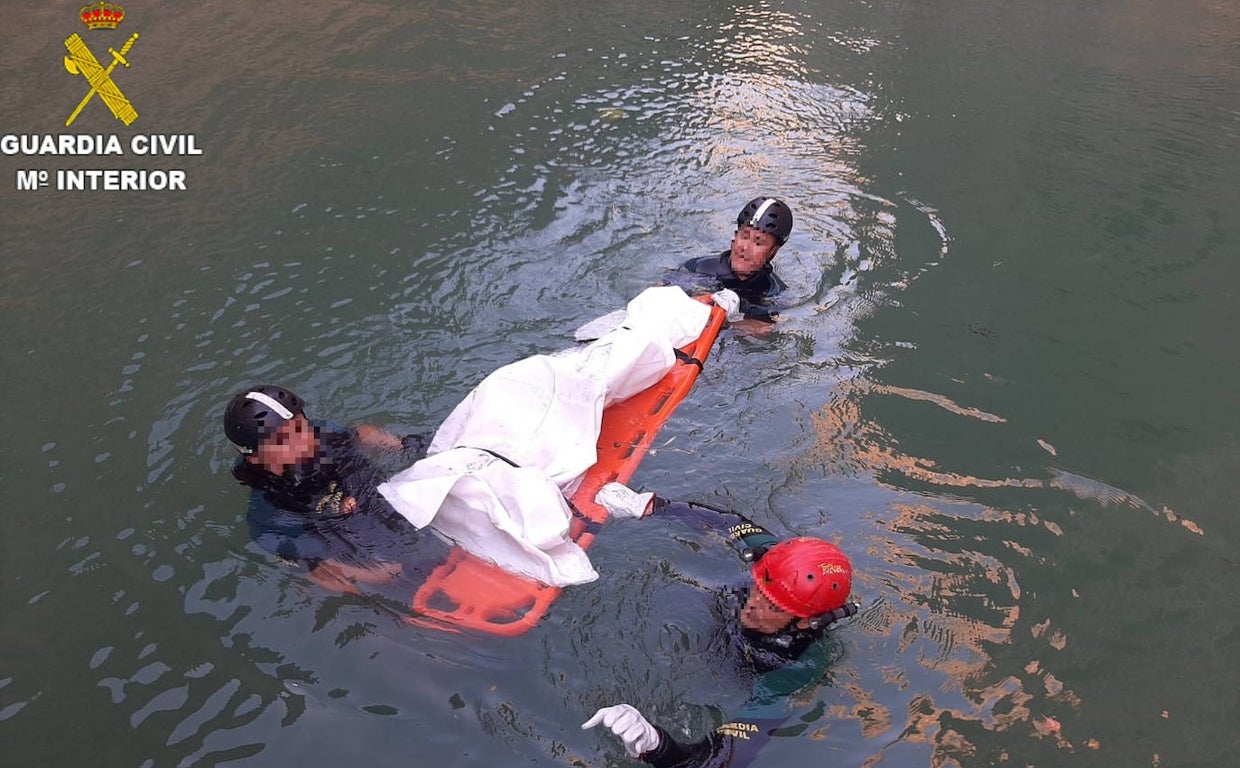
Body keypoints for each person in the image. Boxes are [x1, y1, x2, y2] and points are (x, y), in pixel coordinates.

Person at [582, 483, 857, 768]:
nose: (753, 604)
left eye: (772, 606)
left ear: (803, 623)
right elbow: (731, 523)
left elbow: (722, 758)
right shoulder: (780, 561)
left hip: (742, 670)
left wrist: (656, 746)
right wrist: (654, 506)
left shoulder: (793, 669)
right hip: (724, 605)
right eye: (759, 590)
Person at [223, 384, 440, 595]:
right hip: (367, 546)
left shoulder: (327, 436)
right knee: (386, 575)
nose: (304, 441)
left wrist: (401, 446)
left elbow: (361, 433)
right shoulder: (269, 509)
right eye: (282, 441)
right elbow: (309, 565)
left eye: (300, 428)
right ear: (255, 457)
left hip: (387, 509)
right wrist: (369, 580)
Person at [665, 197, 793, 326]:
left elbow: (763, 330)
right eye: (744, 236)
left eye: (758, 242)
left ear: (773, 251)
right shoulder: (697, 269)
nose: (745, 247)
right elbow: (658, 298)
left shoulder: (775, 293)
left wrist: (729, 320)